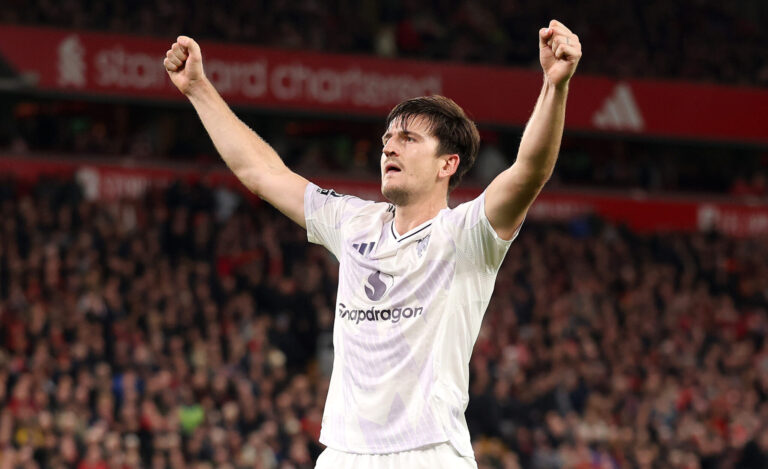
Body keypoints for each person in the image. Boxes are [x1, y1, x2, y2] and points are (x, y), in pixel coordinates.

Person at [164, 19, 581, 469]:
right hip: (345, 454)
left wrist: (553, 87)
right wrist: (198, 88)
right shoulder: (353, 222)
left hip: (428, 453)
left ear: (448, 164)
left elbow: (529, 170)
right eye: (387, 139)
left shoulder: (467, 234)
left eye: (407, 139)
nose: (389, 149)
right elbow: (262, 174)